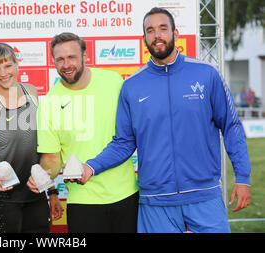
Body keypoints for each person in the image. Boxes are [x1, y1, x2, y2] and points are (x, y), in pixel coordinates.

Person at [83, 7, 252, 233]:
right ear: (144, 38)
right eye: (150, 30)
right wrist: (91, 167)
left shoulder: (206, 74)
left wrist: (242, 177)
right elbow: (123, 142)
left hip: (204, 195)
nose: (157, 35)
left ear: (176, 33)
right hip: (156, 201)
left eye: (163, 28)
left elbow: (231, 128)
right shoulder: (132, 85)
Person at [28, 32, 139, 233]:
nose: (66, 64)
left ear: (85, 56)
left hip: (126, 195)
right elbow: (52, 157)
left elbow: (130, 136)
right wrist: (43, 176)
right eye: (60, 59)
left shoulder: (113, 81)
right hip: (83, 200)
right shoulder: (49, 103)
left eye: (72, 57)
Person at [0, 43, 50, 233]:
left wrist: (52, 191)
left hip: (35, 194)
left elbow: (44, 147)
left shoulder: (32, 92)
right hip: (0, 199)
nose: (3, 73)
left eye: (7, 66)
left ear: (17, 64)